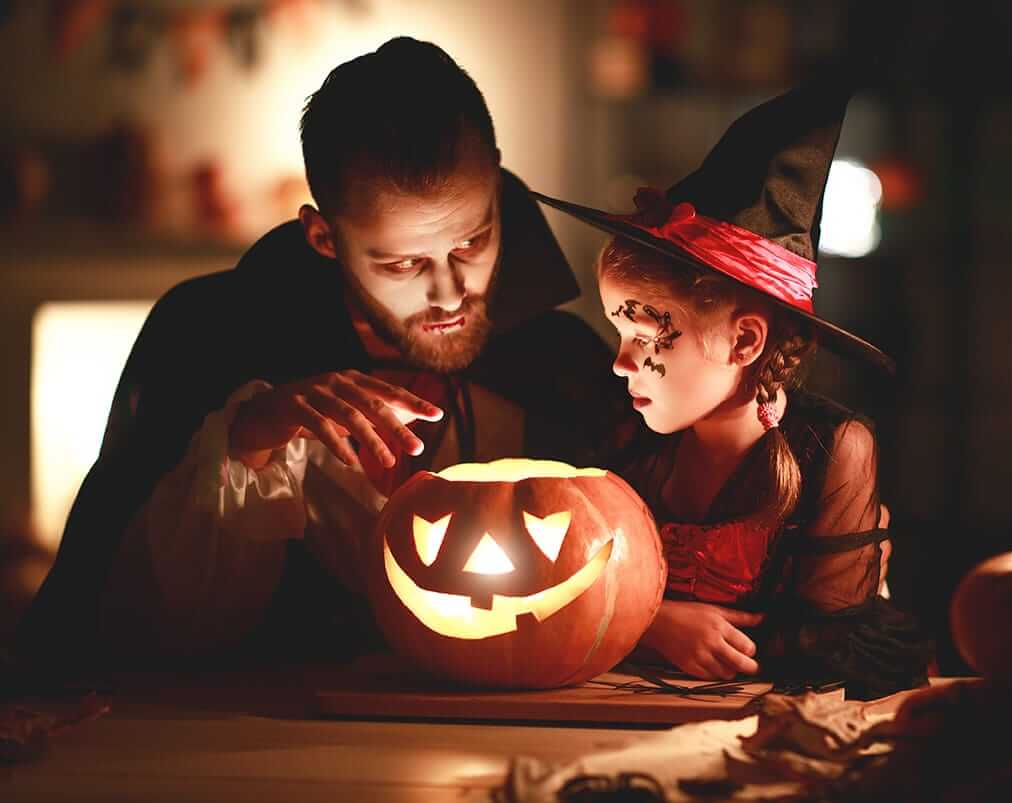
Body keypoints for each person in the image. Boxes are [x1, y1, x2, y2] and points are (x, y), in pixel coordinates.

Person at [16, 37, 624, 674]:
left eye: (473, 241)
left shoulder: (563, 362)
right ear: (323, 237)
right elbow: (119, 625)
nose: (449, 293)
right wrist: (248, 443)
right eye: (402, 264)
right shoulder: (208, 339)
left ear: (498, 182)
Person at [533, 74, 932, 700]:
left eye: (644, 335)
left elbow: (840, 649)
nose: (619, 363)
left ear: (743, 343)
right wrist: (651, 624)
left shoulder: (830, 448)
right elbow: (544, 580)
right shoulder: (619, 434)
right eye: (616, 332)